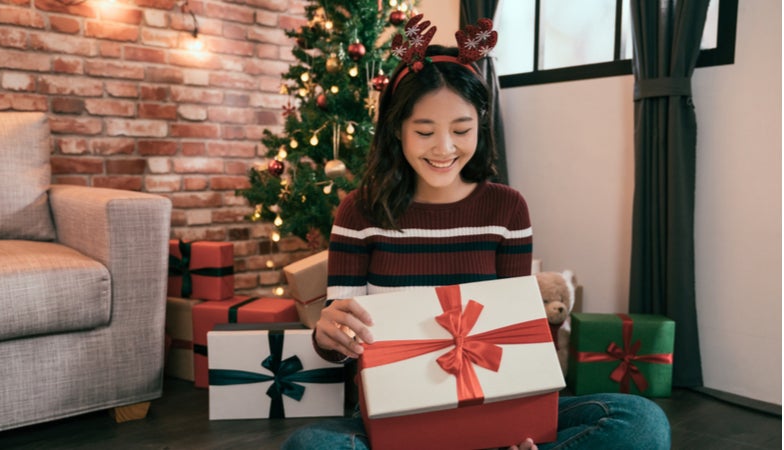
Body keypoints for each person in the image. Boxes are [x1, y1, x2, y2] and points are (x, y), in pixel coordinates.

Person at [282, 17, 670, 450]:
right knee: (309, 446)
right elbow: (341, 346)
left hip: (497, 405)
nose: (444, 149)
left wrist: (522, 420)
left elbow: (515, 331)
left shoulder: (507, 207)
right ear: (396, 129)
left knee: (641, 421)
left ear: (480, 125)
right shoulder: (360, 210)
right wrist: (326, 332)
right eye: (425, 131)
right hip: (396, 413)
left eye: (461, 130)